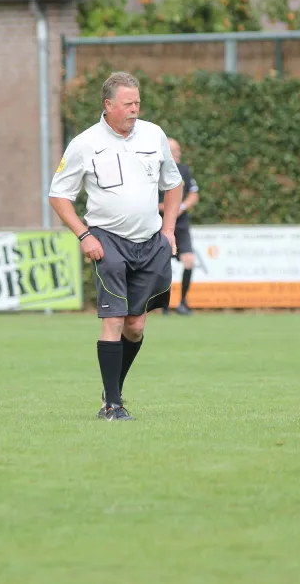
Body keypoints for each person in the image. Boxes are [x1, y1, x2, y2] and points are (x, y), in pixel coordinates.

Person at [48, 71, 184, 421]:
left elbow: (173, 184)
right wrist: (84, 235)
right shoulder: (85, 143)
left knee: (135, 326)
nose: (134, 110)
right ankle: (112, 405)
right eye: (127, 104)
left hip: (150, 243)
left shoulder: (154, 135)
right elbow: (59, 195)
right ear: (108, 105)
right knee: (114, 320)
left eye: (137, 103)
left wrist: (169, 230)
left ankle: (112, 391)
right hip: (107, 241)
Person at [160, 137, 199, 315]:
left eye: (178, 150)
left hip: (180, 224)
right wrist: (166, 208)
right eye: (173, 151)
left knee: (189, 261)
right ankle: (164, 304)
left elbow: (193, 194)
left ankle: (183, 302)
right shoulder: (155, 172)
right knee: (162, 265)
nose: (177, 154)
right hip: (160, 224)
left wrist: (181, 207)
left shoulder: (184, 170)